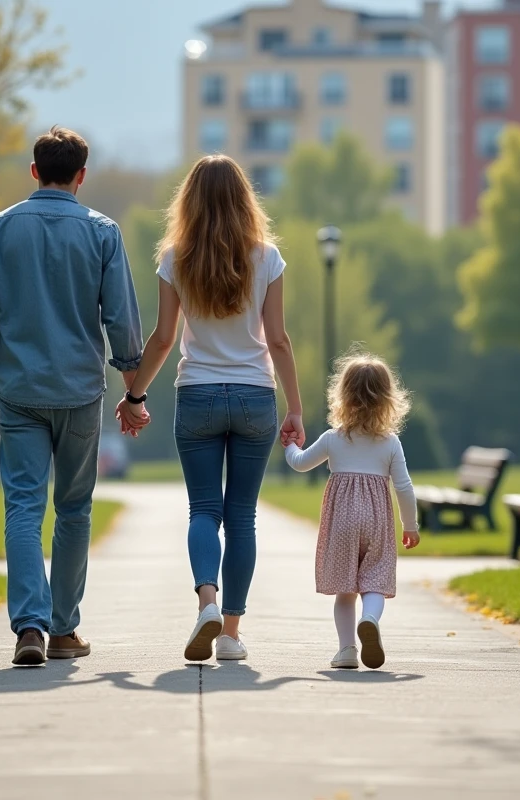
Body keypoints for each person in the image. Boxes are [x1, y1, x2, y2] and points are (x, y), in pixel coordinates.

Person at [0, 126, 144, 667]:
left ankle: (30, 627)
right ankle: (63, 629)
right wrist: (134, 390)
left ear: (34, 171)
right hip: (80, 390)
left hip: (17, 390)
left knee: (22, 506)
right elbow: (123, 323)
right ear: (81, 176)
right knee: (74, 508)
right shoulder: (103, 234)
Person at [115, 154, 304, 663]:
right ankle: (231, 635)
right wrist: (296, 410)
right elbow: (279, 340)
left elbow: (162, 338)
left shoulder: (176, 258)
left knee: (204, 510)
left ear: (189, 201)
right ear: (245, 198)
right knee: (242, 516)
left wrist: (135, 395)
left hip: (196, 393)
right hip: (254, 397)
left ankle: (207, 603)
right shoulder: (268, 258)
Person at [283, 352, 420, 670]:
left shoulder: (334, 439)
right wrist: (409, 525)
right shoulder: (390, 443)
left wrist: (289, 445)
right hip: (376, 522)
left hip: (341, 521)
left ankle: (346, 650)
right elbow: (404, 487)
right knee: (374, 582)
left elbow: (301, 463)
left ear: (343, 396)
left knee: (345, 590)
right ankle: (369, 619)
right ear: (388, 399)